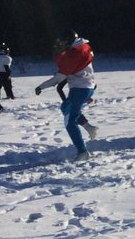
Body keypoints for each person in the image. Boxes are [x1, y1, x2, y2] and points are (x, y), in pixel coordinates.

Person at [35, 30, 97, 161]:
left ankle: (83, 152)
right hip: (85, 87)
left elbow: (58, 78)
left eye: (62, 42)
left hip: (80, 90)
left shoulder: (75, 53)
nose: (60, 45)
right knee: (65, 108)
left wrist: (41, 86)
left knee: (70, 122)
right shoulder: (80, 47)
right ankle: (89, 128)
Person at [0, 42, 13, 111]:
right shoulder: (7, 58)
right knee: (8, 87)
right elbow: (6, 67)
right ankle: (10, 96)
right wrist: (8, 75)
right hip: (4, 74)